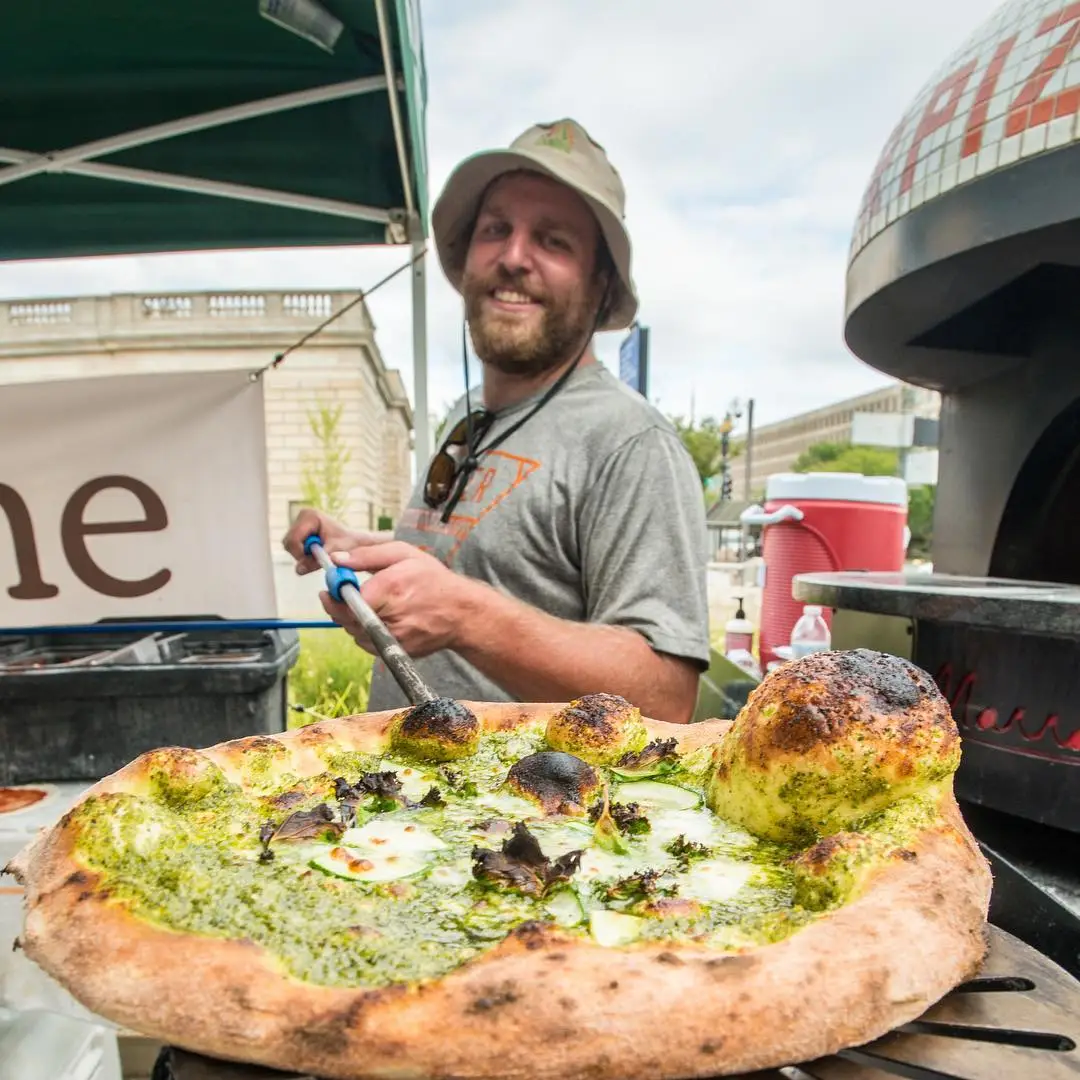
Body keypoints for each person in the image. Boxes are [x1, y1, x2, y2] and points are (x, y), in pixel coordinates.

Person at [284, 118, 710, 724]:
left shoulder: (632, 445)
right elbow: (477, 562)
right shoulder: (469, 413)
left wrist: (466, 616)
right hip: (404, 798)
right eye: (496, 230)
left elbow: (668, 697)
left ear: (600, 283)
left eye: (554, 240)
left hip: (523, 813)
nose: (514, 257)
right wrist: (359, 548)